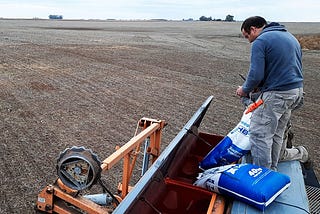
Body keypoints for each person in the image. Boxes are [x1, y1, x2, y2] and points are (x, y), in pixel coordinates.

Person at [236, 16, 309, 171]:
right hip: (296, 93)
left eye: (247, 36)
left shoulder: (261, 41)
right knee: (276, 133)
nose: (249, 40)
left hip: (278, 95)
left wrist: (244, 90)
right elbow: (284, 69)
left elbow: (255, 75)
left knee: (259, 135)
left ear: (253, 29)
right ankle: (272, 170)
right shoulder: (290, 37)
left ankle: (262, 177)